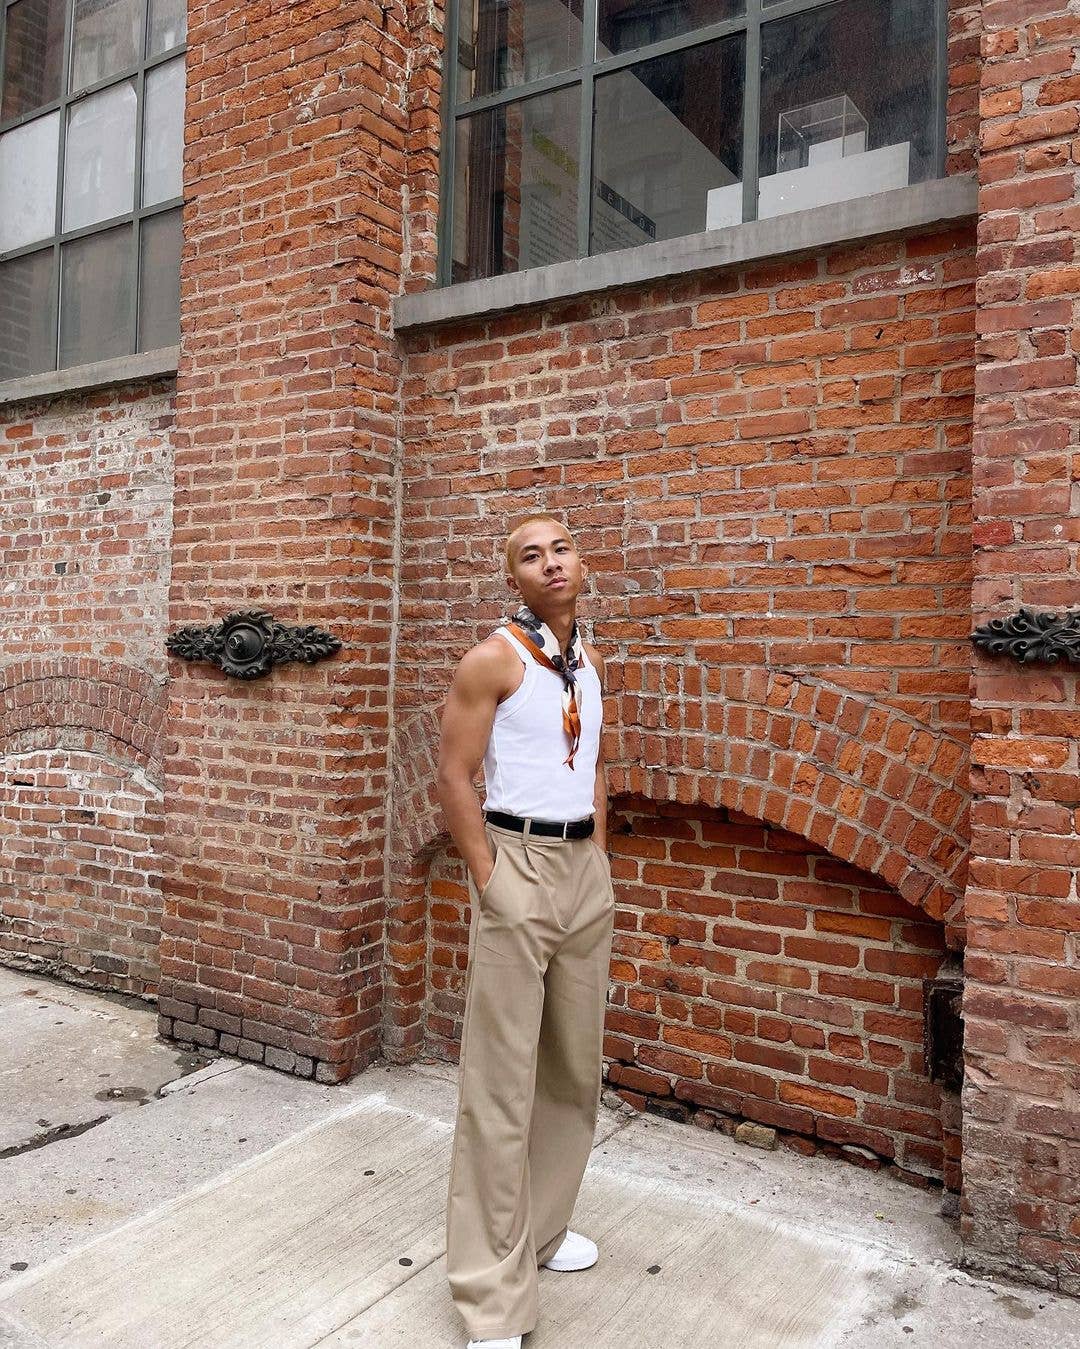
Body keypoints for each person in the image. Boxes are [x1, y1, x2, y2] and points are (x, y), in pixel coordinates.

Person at [437, 515, 615, 1349]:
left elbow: (593, 766)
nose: (551, 562)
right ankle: (490, 1296)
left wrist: (600, 862)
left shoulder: (586, 660)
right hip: (518, 866)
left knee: (575, 1067)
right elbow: (454, 774)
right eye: (530, 554)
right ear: (514, 575)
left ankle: (541, 1231)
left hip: (582, 874)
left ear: (582, 563)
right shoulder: (495, 659)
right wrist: (490, 880)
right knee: (500, 1086)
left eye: (561, 547)